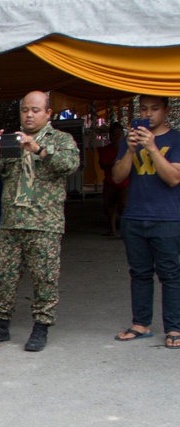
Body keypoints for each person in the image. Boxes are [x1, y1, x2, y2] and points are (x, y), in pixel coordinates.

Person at [0, 91, 80, 352]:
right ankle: (0, 326)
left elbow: (69, 164)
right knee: (4, 275)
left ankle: (41, 328)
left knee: (45, 277)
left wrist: (39, 149)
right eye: (25, 110)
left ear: (48, 113)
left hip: (44, 223)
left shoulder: (61, 140)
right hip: (12, 221)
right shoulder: (12, 140)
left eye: (35, 110)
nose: (29, 115)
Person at [110, 95, 180, 349]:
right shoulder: (130, 140)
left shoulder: (176, 139)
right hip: (134, 216)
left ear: (166, 110)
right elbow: (117, 177)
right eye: (143, 109)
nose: (148, 114)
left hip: (168, 217)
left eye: (154, 108)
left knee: (170, 275)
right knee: (139, 274)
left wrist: (151, 147)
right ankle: (141, 324)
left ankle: (174, 327)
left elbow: (173, 178)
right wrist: (130, 150)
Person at [98, 122, 128, 237]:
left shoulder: (128, 149)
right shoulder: (105, 150)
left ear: (123, 135)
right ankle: (112, 229)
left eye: (119, 134)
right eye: (114, 134)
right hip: (110, 182)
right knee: (109, 206)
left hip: (125, 183)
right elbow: (102, 165)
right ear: (110, 136)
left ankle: (124, 230)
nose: (116, 136)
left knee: (123, 207)